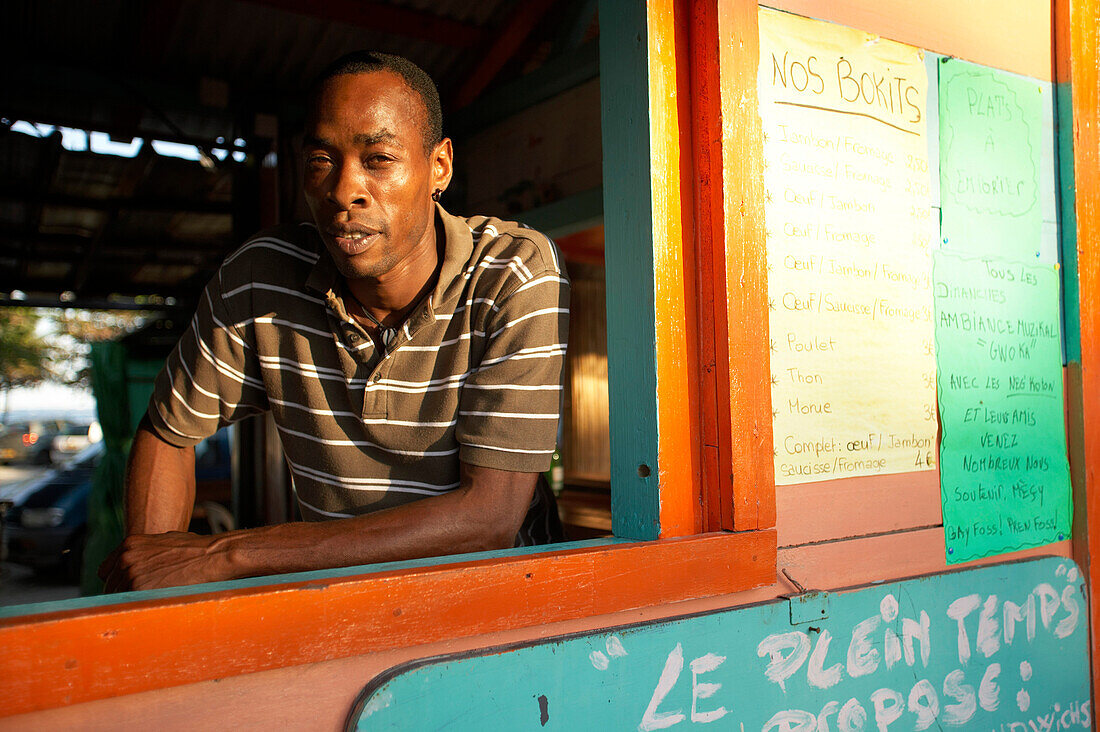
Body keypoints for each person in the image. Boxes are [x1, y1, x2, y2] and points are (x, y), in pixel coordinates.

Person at [99, 52, 569, 592]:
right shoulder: (260, 281)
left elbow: (488, 520)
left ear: (439, 166)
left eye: (379, 158)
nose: (344, 190)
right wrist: (153, 588)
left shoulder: (511, 272)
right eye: (322, 159)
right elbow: (169, 429)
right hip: (339, 602)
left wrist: (225, 555)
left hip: (496, 605)